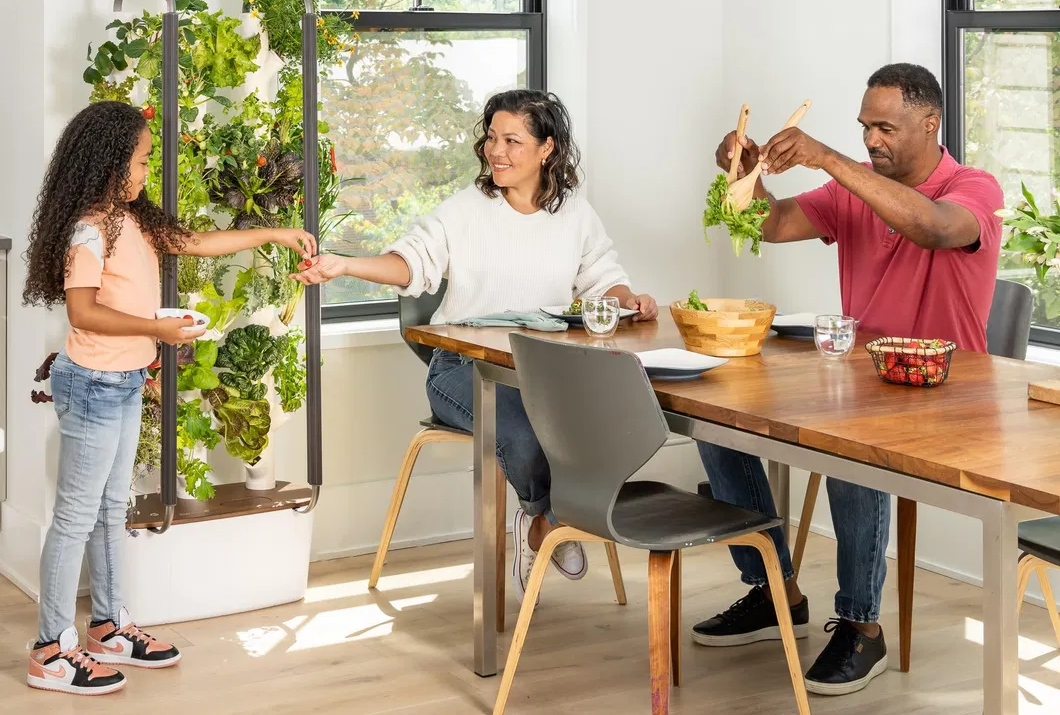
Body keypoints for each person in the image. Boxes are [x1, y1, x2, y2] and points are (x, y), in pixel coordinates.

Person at [693, 63, 1003, 696]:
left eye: (884, 128)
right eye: (865, 127)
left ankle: (862, 628)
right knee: (716, 413)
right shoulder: (855, 190)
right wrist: (741, 171)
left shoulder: (975, 190)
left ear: (930, 122)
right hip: (863, 381)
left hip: (948, 395)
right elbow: (772, 223)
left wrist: (828, 158)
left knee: (844, 442)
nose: (871, 141)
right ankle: (772, 591)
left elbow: (933, 227)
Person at [292, 89, 658, 600]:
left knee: (619, 424)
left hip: (542, 369)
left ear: (547, 149)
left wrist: (631, 299)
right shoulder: (466, 210)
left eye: (512, 140)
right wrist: (347, 265)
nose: (496, 151)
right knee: (530, 434)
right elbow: (411, 262)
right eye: (491, 138)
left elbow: (603, 279)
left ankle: (545, 525)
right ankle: (546, 518)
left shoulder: (574, 214)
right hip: (462, 369)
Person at [22, 101, 316, 696]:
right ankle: (50, 649)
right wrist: (156, 331)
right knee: (77, 517)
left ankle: (108, 626)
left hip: (124, 381)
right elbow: (82, 310)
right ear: (109, 162)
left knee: (110, 510)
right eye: (141, 159)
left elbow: (196, 242)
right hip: (94, 384)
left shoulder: (134, 218)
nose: (145, 171)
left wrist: (276, 232)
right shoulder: (89, 227)